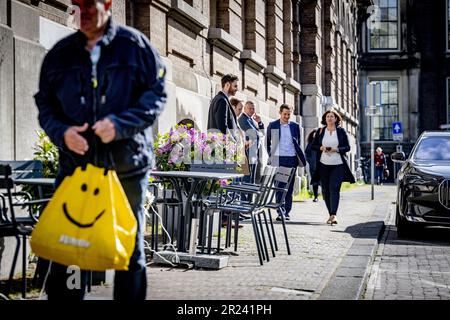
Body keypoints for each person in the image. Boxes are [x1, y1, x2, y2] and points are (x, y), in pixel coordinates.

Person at [34, 0, 166, 300]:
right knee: (68, 248)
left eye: (90, 4)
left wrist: (120, 125)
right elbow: (46, 104)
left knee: (129, 251)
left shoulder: (135, 46)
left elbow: (156, 97)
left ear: (107, 3)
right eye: (77, 5)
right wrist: (62, 133)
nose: (83, 11)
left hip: (127, 168)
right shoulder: (60, 54)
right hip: (75, 166)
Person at [207, 74, 242, 227]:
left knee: (225, 184)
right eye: (235, 85)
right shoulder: (221, 100)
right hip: (222, 150)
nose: (236, 88)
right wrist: (232, 143)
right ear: (227, 85)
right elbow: (222, 127)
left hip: (222, 149)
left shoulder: (221, 99)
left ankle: (225, 217)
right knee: (224, 184)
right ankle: (224, 218)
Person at [311, 109, 355, 225]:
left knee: (334, 188)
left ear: (336, 119)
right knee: (325, 190)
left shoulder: (341, 132)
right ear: (325, 119)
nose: (329, 118)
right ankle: (330, 214)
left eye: (332, 116)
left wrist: (337, 149)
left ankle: (334, 215)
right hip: (323, 165)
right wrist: (321, 148)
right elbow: (313, 146)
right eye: (327, 117)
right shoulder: (321, 131)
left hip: (338, 165)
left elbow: (347, 147)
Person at [266, 104, 306, 221]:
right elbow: (267, 142)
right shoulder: (273, 125)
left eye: (289, 114)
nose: (287, 116)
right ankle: (280, 211)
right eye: (285, 114)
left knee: (289, 186)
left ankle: (287, 211)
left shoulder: (295, 126)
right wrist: (271, 155)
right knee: (279, 186)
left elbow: (298, 143)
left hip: (292, 159)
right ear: (280, 113)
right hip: (279, 159)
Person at [238, 101, 264, 185]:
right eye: (250, 108)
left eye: (253, 108)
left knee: (252, 181)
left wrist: (259, 122)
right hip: (247, 154)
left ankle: (249, 198)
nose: (252, 110)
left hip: (253, 154)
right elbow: (253, 133)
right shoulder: (242, 119)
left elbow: (262, 133)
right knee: (247, 180)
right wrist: (259, 133)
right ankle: (245, 198)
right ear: (244, 109)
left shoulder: (251, 120)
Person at [305, 129, 319, 202]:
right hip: (313, 166)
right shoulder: (311, 143)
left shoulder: (322, 142)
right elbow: (307, 154)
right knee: (315, 182)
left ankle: (326, 196)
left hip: (322, 166)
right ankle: (315, 196)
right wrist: (310, 161)